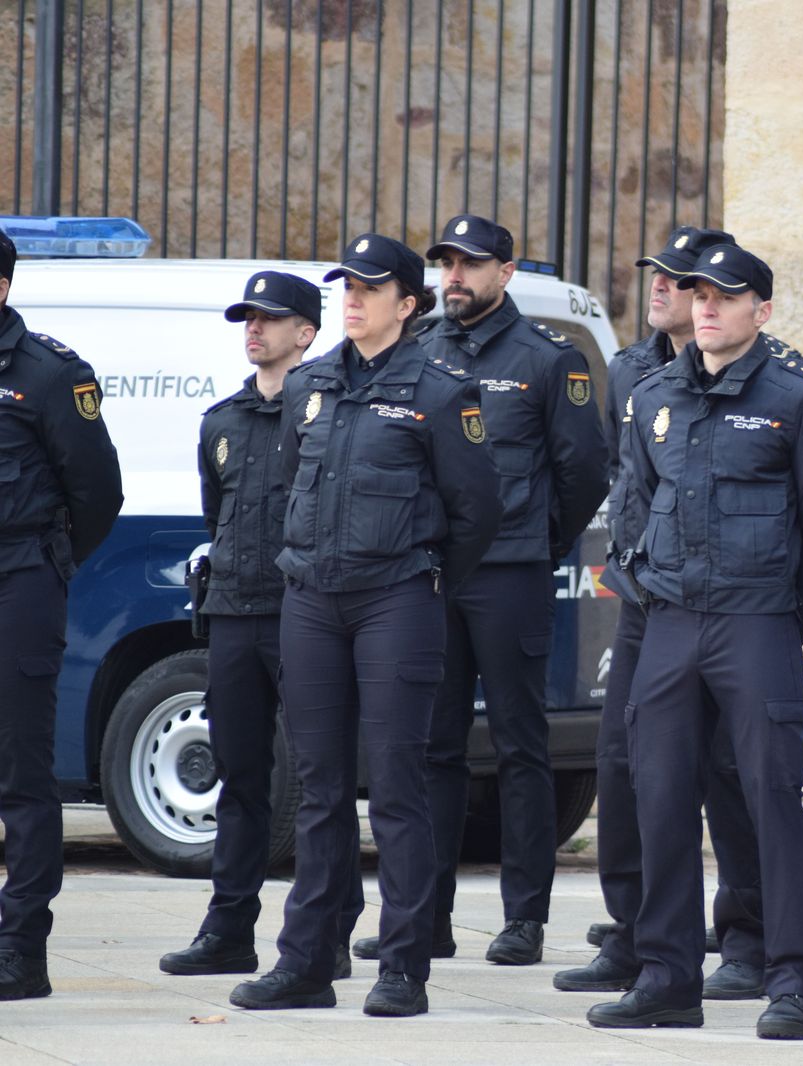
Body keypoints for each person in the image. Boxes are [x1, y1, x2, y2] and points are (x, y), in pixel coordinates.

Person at [586, 244, 803, 1040]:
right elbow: (632, 503)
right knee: (658, 798)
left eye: (724, 296)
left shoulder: (802, 399)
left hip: (756, 622)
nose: (704, 306)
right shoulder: (655, 393)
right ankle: (667, 977)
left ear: (761, 312)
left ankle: (795, 981)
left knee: (772, 800)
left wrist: (780, 618)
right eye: (697, 293)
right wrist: (651, 582)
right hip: (669, 623)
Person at [229, 234, 501, 1017]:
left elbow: (475, 511)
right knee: (316, 788)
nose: (352, 298)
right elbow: (290, 483)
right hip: (312, 598)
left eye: (370, 288)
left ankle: (403, 965)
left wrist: (425, 573)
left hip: (397, 598)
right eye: (346, 285)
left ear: (407, 305)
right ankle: (308, 960)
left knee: (396, 785)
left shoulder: (444, 390)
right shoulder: (312, 383)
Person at [351, 214, 604, 969]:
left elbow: (584, 471)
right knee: (433, 746)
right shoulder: (423, 348)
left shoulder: (547, 359)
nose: (453, 277)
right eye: (446, 265)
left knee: (523, 747)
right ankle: (424, 915)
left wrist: (534, 544)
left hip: (509, 574)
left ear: (506, 270)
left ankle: (523, 918)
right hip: (432, 573)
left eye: (469, 265)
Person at [556, 225, 795, 999]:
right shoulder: (634, 374)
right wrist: (637, 575)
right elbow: (625, 489)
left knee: (735, 772)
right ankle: (640, 941)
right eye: (667, 279)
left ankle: (752, 937)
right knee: (634, 769)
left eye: (687, 280)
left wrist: (773, 607)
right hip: (654, 600)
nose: (672, 291)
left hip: (744, 607)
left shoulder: (785, 385)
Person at [159, 272, 363, 980]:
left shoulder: (327, 414)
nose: (255, 328)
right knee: (240, 775)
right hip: (236, 615)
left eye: (271, 318)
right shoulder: (221, 420)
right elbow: (219, 517)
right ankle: (229, 929)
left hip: (306, 612)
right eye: (248, 317)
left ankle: (329, 930)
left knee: (319, 777)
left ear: (306, 333)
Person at [0, 227, 122, 999]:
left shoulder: (47, 374)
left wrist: (48, 563)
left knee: (19, 770)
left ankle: (20, 947)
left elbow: (98, 493)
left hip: (17, 578)